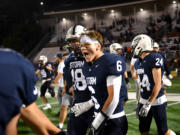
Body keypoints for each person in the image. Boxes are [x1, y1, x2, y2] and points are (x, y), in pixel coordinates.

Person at [0, 49, 65, 135]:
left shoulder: (12, 64)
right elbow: (27, 109)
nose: (40, 61)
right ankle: (48, 105)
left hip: (48, 81)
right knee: (42, 95)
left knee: (52, 95)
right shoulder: (13, 62)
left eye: (41, 60)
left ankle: (60, 105)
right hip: (43, 81)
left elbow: (28, 110)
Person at [80, 30, 128, 135]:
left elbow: (113, 99)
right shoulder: (87, 65)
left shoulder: (110, 61)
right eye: (81, 46)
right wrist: (86, 105)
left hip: (113, 120)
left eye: (87, 45)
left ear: (98, 46)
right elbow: (98, 94)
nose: (83, 48)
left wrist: (98, 121)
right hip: (99, 117)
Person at [131, 34, 176, 135]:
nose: (133, 48)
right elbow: (141, 85)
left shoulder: (155, 57)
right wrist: (139, 102)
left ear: (141, 45)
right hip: (144, 100)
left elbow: (157, 84)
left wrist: (148, 104)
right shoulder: (138, 62)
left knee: (163, 131)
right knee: (143, 130)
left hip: (156, 101)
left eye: (134, 46)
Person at [63, 25, 94, 135]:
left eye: (76, 40)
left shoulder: (93, 56)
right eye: (71, 41)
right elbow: (69, 81)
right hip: (78, 102)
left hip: (94, 103)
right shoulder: (68, 59)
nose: (74, 43)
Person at [53, 52, 70, 129]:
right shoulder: (64, 65)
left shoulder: (63, 64)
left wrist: (55, 81)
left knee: (65, 106)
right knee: (63, 106)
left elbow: (61, 74)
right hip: (63, 86)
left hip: (65, 87)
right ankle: (61, 125)